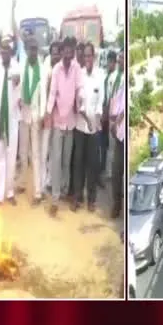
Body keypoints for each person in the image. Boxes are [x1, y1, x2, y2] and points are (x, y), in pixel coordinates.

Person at [45, 37, 83, 217]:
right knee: (56, 158)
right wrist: (47, 114)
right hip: (58, 119)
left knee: (67, 159)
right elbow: (52, 93)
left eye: (72, 51)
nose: (69, 54)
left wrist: (81, 104)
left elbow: (79, 89)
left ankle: (66, 189)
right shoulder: (56, 70)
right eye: (67, 51)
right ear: (63, 52)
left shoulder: (77, 69)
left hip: (71, 120)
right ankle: (55, 198)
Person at [72, 42, 103, 212]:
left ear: (94, 56)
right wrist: (88, 120)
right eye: (85, 56)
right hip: (80, 126)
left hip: (94, 128)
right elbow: (79, 103)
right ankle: (77, 197)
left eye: (89, 55)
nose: (87, 58)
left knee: (92, 164)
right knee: (79, 163)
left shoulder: (100, 76)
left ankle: (91, 199)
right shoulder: (80, 76)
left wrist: (96, 121)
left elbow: (100, 103)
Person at [17, 36, 46, 205]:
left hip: (35, 117)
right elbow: (19, 89)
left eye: (35, 49)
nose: (32, 52)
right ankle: (21, 181)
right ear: (27, 50)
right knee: (22, 152)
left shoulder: (41, 70)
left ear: (37, 51)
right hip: (24, 115)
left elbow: (43, 96)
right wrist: (20, 101)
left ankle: (37, 192)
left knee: (35, 154)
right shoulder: (22, 66)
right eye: (30, 49)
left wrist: (41, 116)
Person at [0, 37, 21, 206]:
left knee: (11, 158)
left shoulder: (16, 67)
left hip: (12, 121)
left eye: (7, 52)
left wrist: (17, 82)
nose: (4, 54)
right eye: (2, 52)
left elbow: (19, 85)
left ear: (10, 52)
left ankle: (10, 192)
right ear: (0, 53)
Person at [41, 41, 62, 193]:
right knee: (44, 151)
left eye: (57, 53)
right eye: (53, 52)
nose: (55, 55)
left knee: (55, 153)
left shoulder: (62, 71)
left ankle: (50, 181)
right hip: (47, 116)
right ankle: (42, 182)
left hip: (59, 118)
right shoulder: (45, 70)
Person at [109, 73, 125, 219]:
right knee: (116, 172)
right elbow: (117, 104)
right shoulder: (122, 84)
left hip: (124, 133)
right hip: (119, 136)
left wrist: (117, 122)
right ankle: (117, 204)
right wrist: (113, 121)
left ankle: (120, 205)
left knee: (121, 173)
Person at [100, 50, 118, 182]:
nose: (108, 64)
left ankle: (109, 172)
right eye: (107, 61)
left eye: (110, 62)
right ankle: (103, 167)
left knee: (111, 144)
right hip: (104, 111)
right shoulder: (106, 75)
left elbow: (112, 97)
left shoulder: (116, 77)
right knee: (103, 143)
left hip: (111, 113)